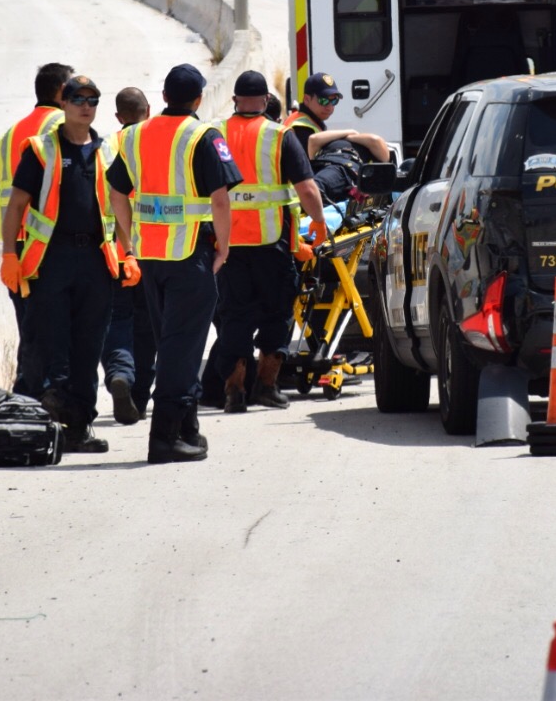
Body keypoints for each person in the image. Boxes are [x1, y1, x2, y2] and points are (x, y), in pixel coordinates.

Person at [107, 64, 242, 464]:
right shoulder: (203, 135)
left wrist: (129, 240)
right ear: (199, 98)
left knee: (173, 341)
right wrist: (224, 248)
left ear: (163, 97)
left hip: (151, 256)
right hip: (190, 254)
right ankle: (163, 438)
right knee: (182, 348)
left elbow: (117, 191)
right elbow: (220, 199)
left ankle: (187, 429)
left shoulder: (133, 135)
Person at [0, 74, 130, 452]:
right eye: (77, 99)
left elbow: (120, 205)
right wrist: (10, 253)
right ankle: (49, 425)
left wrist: (129, 252)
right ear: (64, 103)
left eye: (92, 100)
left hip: (95, 260)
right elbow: (16, 205)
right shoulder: (41, 149)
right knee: (50, 344)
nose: (85, 106)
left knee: (88, 348)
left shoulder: (107, 151)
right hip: (51, 260)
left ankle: (80, 428)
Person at [211, 71, 328, 413]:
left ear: (234, 100)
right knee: (276, 314)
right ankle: (266, 385)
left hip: (227, 245)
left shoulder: (215, 134)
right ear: (265, 101)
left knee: (234, 315)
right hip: (271, 242)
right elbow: (307, 188)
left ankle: (234, 391)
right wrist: (319, 223)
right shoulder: (279, 136)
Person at [0, 62, 71, 354]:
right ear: (61, 91)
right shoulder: (65, 127)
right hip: (52, 246)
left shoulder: (9, 135)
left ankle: (29, 394)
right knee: (62, 331)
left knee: (30, 332)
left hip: (16, 248)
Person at [101, 86, 157, 425]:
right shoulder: (155, 143)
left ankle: (120, 372)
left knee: (117, 321)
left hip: (113, 254)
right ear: (148, 110)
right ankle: (138, 396)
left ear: (118, 117)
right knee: (147, 326)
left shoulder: (106, 147)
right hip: (151, 251)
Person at [285, 72, 389, 164]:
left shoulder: (307, 120)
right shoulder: (301, 127)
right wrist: (350, 133)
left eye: (334, 101)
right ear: (307, 99)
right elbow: (307, 167)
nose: (329, 107)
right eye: (323, 101)